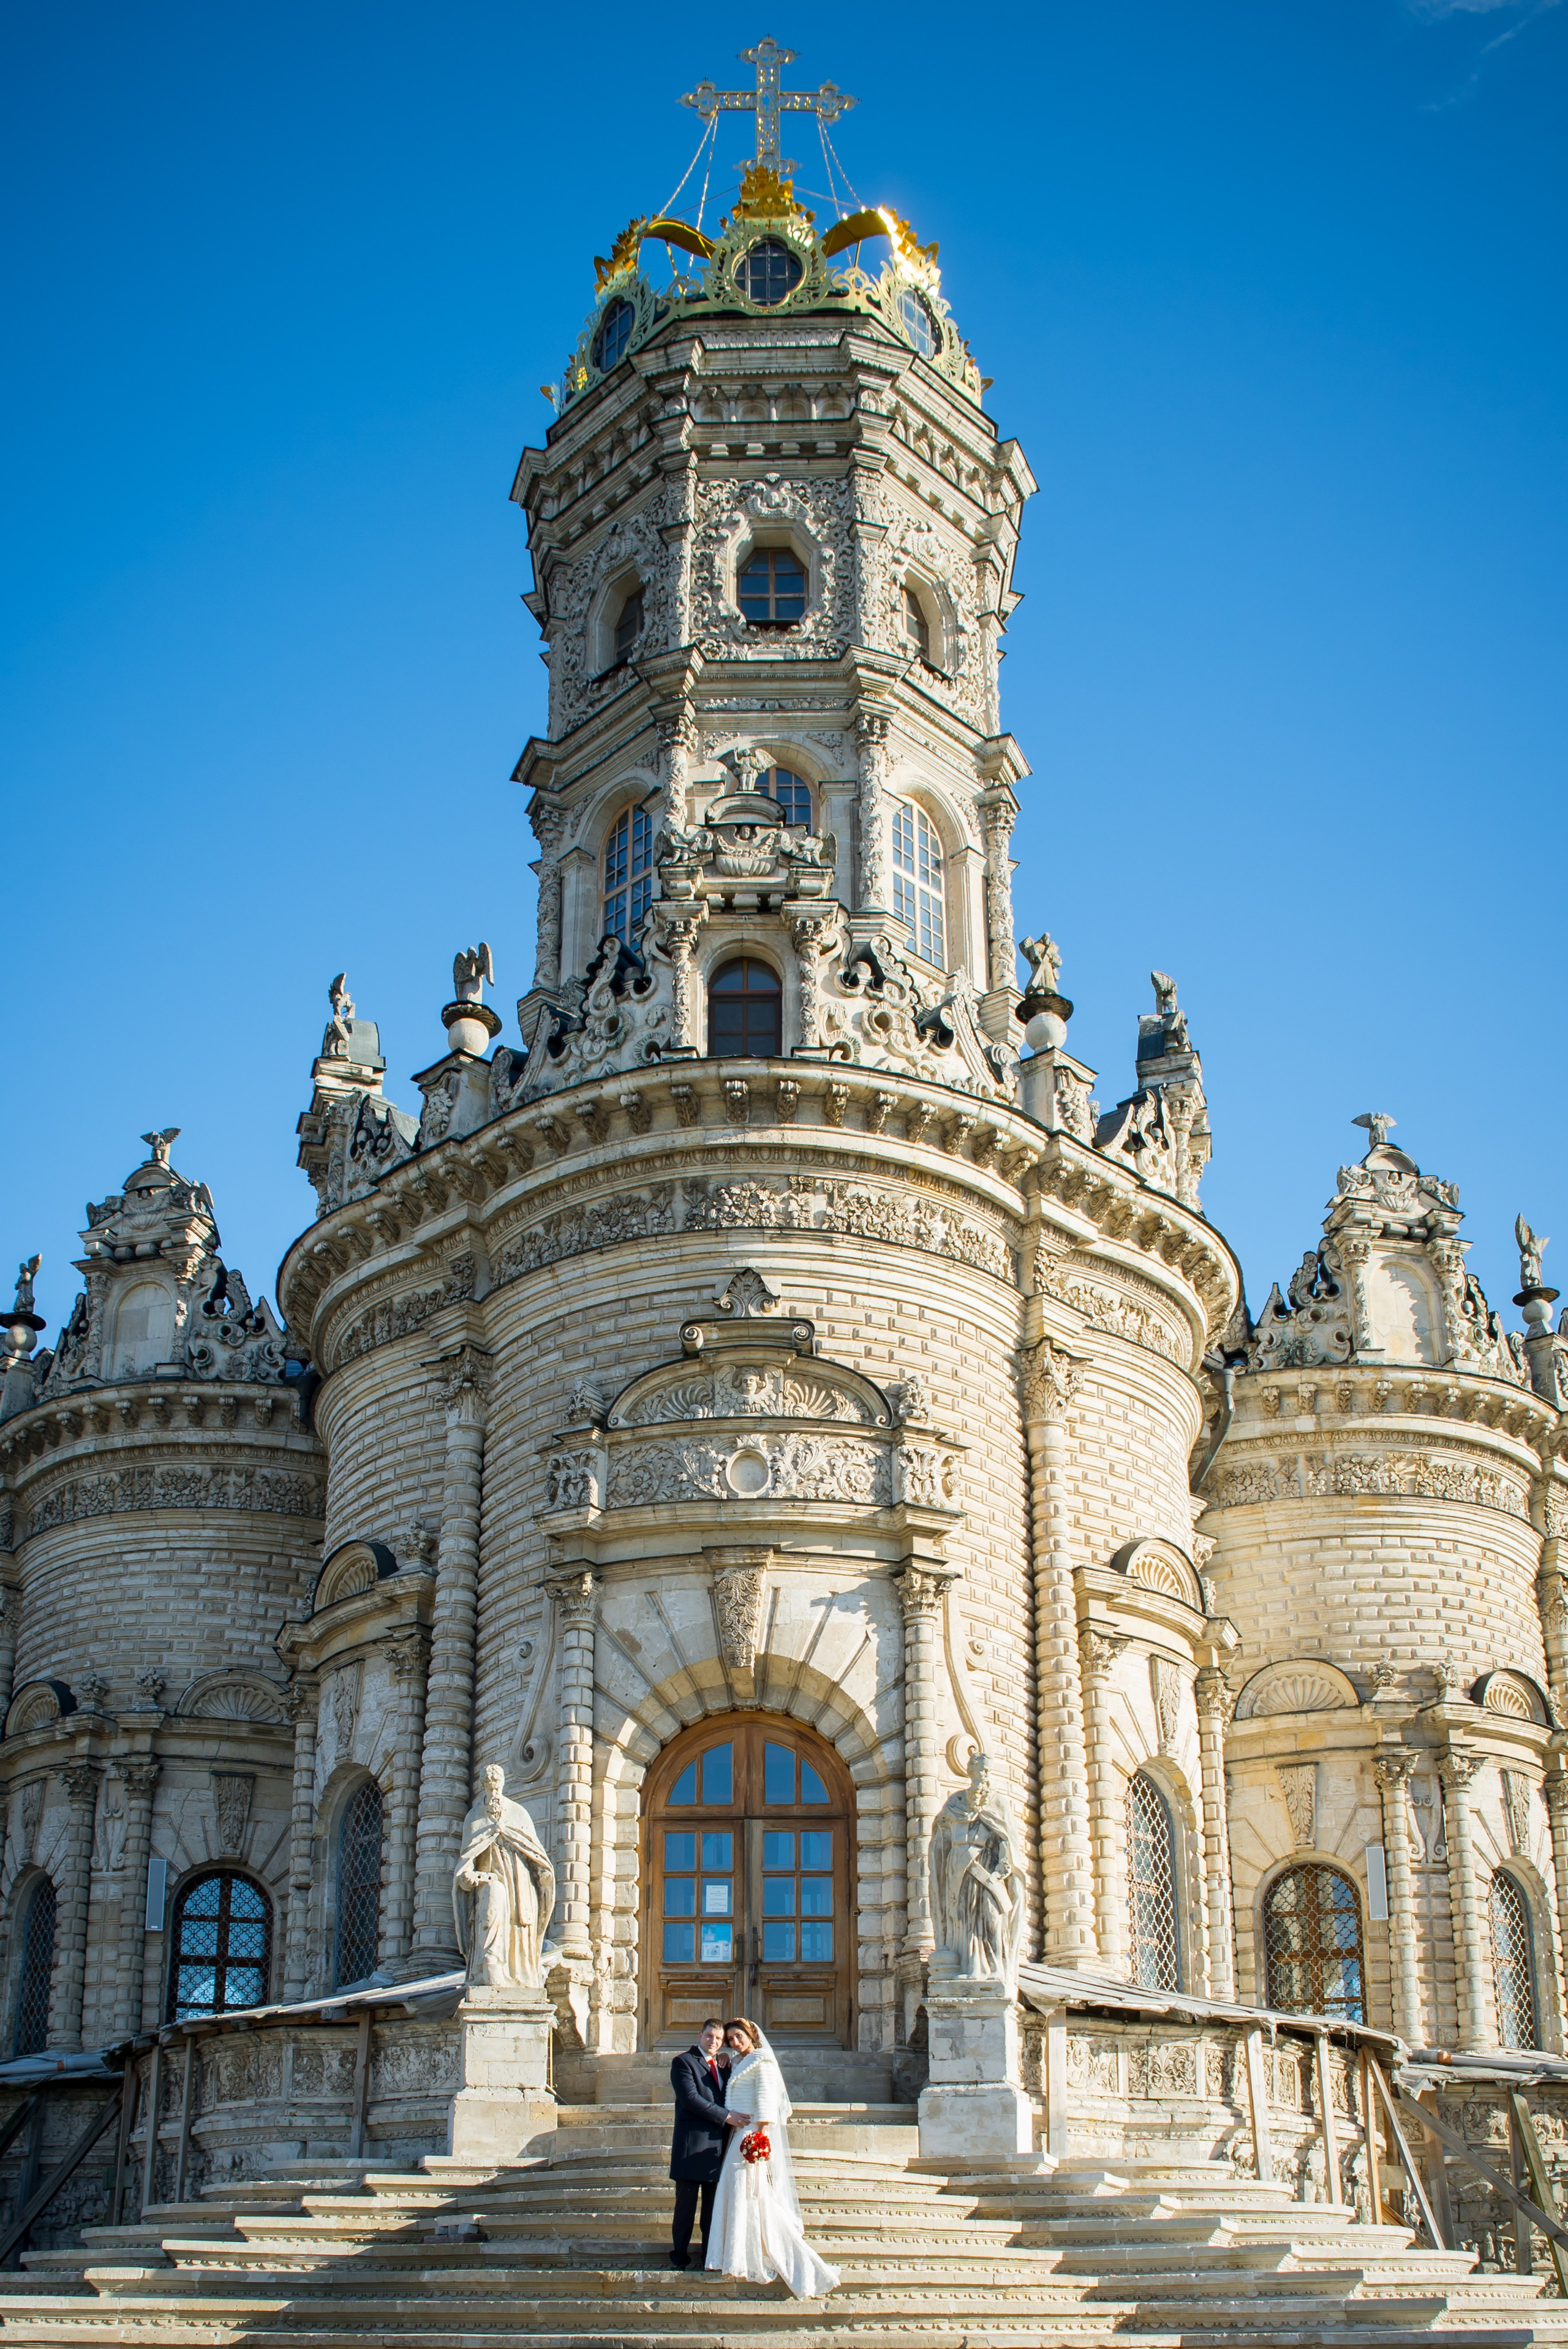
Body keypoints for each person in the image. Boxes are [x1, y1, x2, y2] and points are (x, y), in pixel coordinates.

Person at [706, 2017, 840, 2299]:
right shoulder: (740, 2062)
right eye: (730, 2039)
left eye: (738, 2036)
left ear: (751, 2035)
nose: (734, 2042)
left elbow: (766, 2099)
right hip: (738, 2133)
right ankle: (737, 2251)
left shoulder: (762, 2061)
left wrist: (760, 2136)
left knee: (750, 2192)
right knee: (739, 2192)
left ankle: (755, 2252)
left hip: (751, 2134)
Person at [668, 2018, 730, 2270]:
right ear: (700, 2035)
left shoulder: (724, 2065)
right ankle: (679, 2257)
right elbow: (691, 2098)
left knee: (712, 2211)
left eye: (718, 2038)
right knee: (685, 2208)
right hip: (691, 2147)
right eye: (709, 2036)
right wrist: (726, 2116)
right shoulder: (683, 2062)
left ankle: (709, 2257)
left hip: (716, 2148)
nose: (713, 2042)